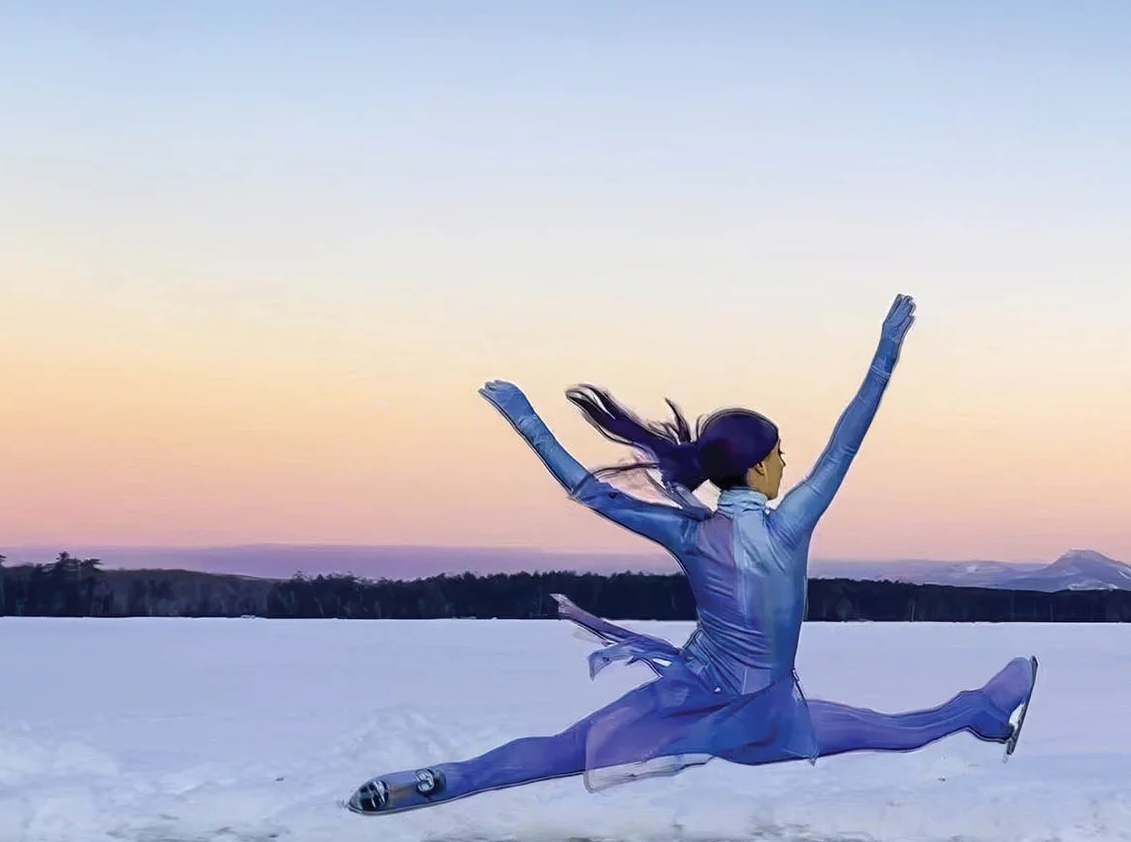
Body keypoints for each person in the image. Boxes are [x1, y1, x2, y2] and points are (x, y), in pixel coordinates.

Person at [347, 294, 1037, 815]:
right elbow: (847, 438)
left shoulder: (693, 532)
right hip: (765, 716)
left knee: (560, 750)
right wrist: (887, 352)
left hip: (685, 699)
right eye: (779, 453)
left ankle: (446, 781)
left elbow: (589, 492)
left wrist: (529, 420)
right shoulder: (789, 523)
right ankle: (980, 709)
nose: (789, 461)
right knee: (896, 729)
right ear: (762, 467)